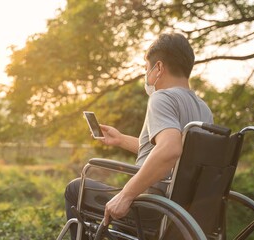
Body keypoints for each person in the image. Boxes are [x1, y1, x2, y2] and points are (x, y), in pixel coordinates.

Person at [64, 32, 213, 239]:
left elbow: (169, 149)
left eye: (146, 69)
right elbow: (177, 156)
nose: (146, 75)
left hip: (154, 205)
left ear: (158, 68)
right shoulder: (203, 109)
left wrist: (126, 195)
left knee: (75, 188)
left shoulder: (162, 98)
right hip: (187, 206)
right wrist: (121, 139)